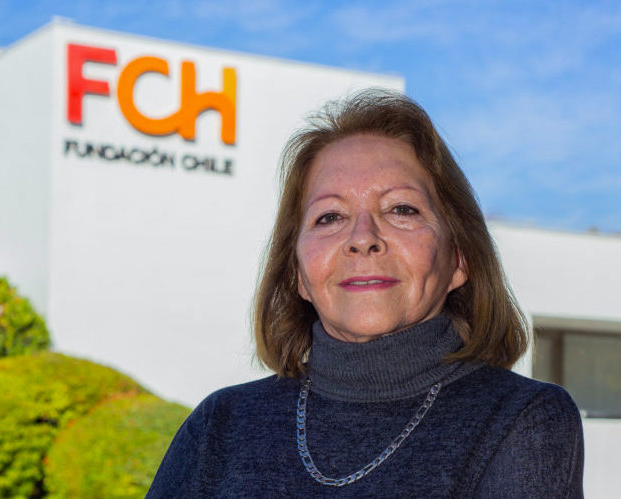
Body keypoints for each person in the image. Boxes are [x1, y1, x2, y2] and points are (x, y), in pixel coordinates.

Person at [146, 89, 584, 498]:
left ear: (459, 260)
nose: (362, 238)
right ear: (298, 274)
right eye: (330, 217)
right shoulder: (219, 425)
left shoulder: (523, 418)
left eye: (401, 209)